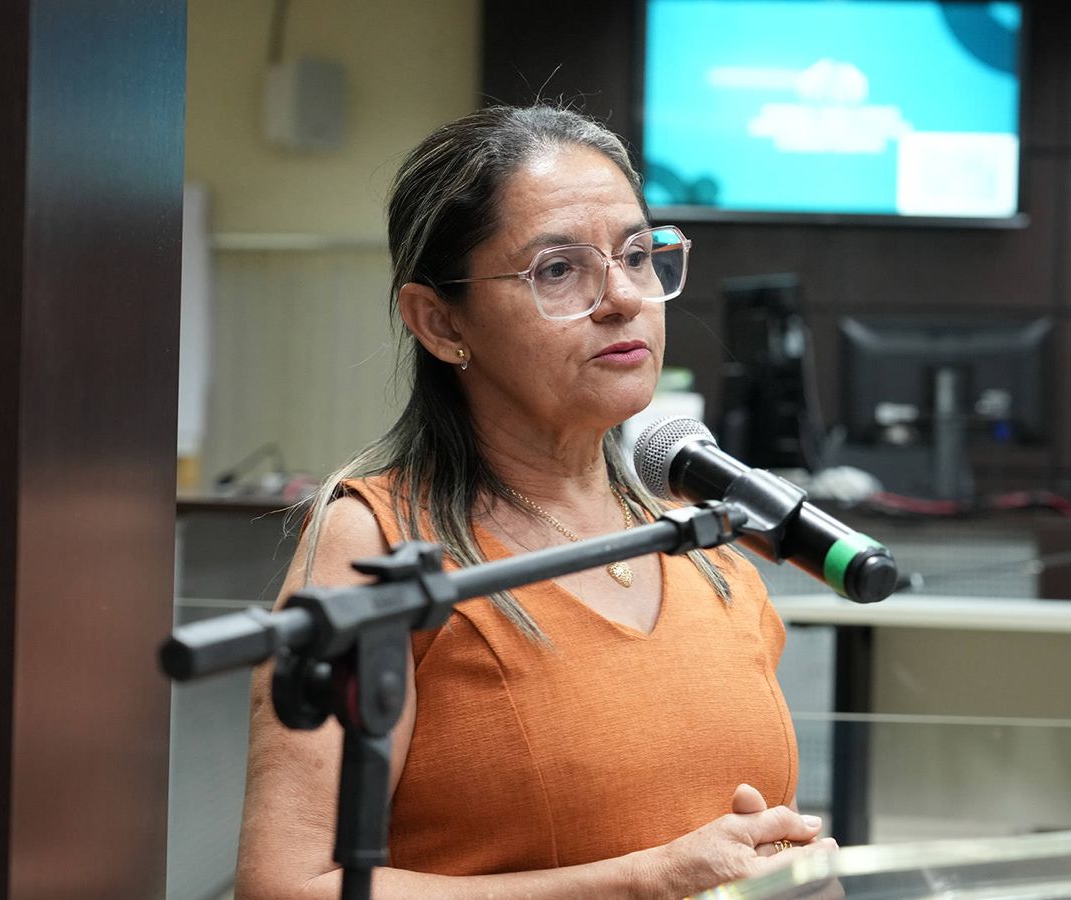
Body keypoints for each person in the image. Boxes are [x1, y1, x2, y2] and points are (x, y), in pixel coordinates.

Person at [234, 104, 832, 900]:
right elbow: (285, 889)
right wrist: (641, 884)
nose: (622, 298)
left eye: (637, 256)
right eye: (558, 271)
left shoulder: (701, 540)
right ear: (439, 322)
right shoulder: (373, 543)